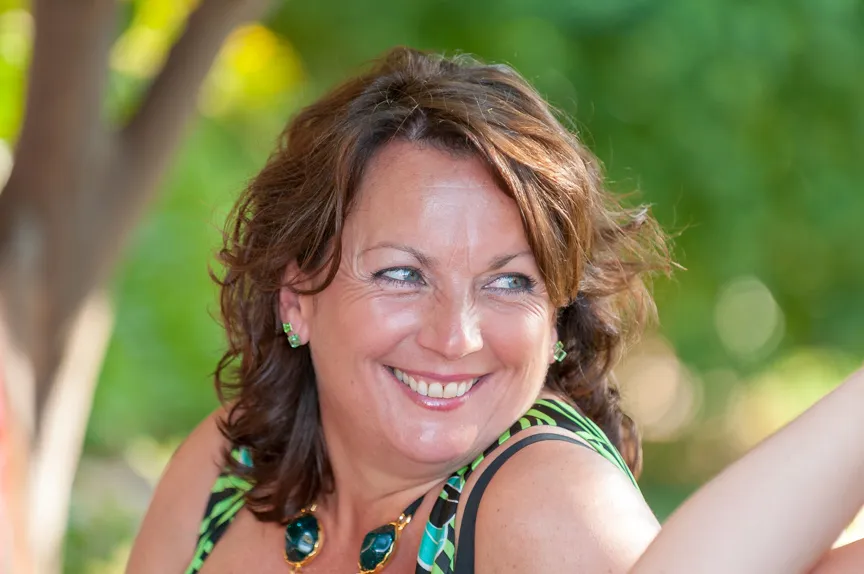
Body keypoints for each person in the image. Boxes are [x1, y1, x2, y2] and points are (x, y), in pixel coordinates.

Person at [126, 47, 864, 574]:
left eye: (509, 282)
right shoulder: (231, 466)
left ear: (556, 318)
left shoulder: (544, 501)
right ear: (297, 298)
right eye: (402, 274)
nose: (456, 336)